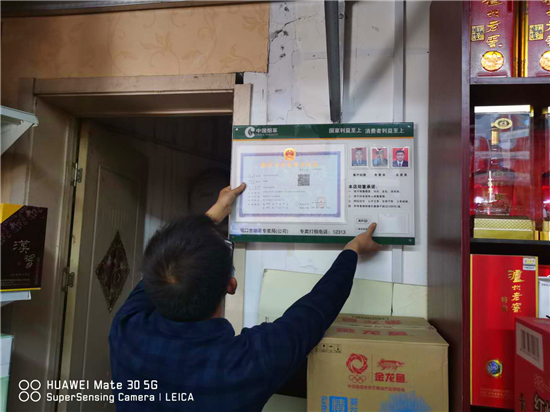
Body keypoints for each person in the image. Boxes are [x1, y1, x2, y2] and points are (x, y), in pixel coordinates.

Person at [109, 182, 380, 412]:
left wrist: (213, 215)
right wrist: (353, 248)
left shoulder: (126, 331)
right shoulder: (243, 366)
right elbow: (315, 310)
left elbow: (164, 266)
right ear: (231, 284)